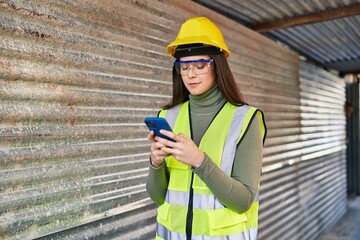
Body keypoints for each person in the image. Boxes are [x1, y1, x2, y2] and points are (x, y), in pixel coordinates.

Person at [146, 16, 266, 240]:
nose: (190, 74)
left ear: (217, 65)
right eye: (183, 66)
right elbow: (157, 197)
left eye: (200, 65)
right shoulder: (168, 116)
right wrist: (156, 164)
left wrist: (199, 161)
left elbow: (243, 201)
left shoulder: (246, 119)